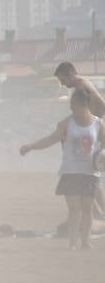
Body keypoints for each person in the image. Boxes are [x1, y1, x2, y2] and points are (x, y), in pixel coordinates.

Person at [19, 88, 102, 250]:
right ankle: (72, 242)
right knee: (74, 210)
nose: (71, 107)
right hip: (70, 172)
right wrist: (31, 147)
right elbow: (50, 139)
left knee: (87, 209)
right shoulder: (66, 124)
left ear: (84, 104)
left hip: (89, 173)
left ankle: (85, 241)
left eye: (74, 104)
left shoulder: (98, 124)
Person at [54, 62, 105, 218]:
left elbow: (102, 104)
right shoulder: (82, 85)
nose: (62, 83)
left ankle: (98, 213)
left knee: (90, 175)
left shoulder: (81, 85)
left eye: (63, 79)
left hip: (93, 137)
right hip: (91, 137)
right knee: (89, 175)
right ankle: (97, 213)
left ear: (70, 73)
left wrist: (93, 126)